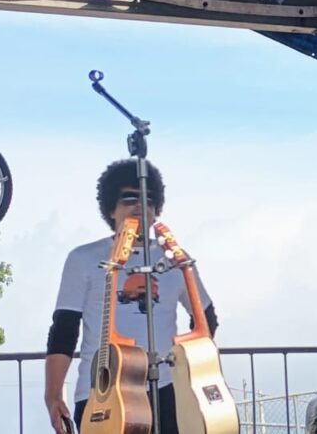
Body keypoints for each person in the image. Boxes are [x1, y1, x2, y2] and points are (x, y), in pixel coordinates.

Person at [44, 158, 218, 433]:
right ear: (111, 209)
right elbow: (64, 331)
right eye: (129, 198)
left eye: (149, 200)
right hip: (102, 390)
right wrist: (53, 395)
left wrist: (186, 367)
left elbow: (206, 318)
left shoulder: (175, 259)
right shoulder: (83, 258)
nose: (140, 206)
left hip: (166, 390)